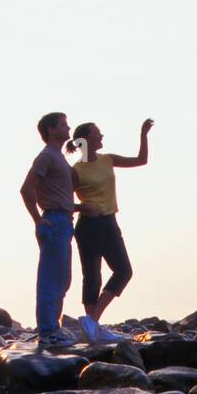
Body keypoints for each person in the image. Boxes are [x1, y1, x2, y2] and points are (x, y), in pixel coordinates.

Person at [67, 118, 153, 342]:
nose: (102, 136)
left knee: (123, 271)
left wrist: (143, 134)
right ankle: (92, 327)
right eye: (97, 133)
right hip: (88, 225)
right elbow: (62, 201)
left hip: (108, 222)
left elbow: (141, 160)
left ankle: (92, 321)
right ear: (86, 140)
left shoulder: (107, 160)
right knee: (92, 276)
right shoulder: (76, 171)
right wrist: (80, 206)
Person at [19, 112, 77, 348]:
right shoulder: (46, 157)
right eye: (64, 124)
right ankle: (47, 332)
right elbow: (26, 189)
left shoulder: (58, 157)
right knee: (51, 280)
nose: (68, 127)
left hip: (64, 220)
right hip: (53, 221)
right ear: (51, 130)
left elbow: (58, 195)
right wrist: (37, 219)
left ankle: (55, 328)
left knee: (62, 280)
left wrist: (81, 207)